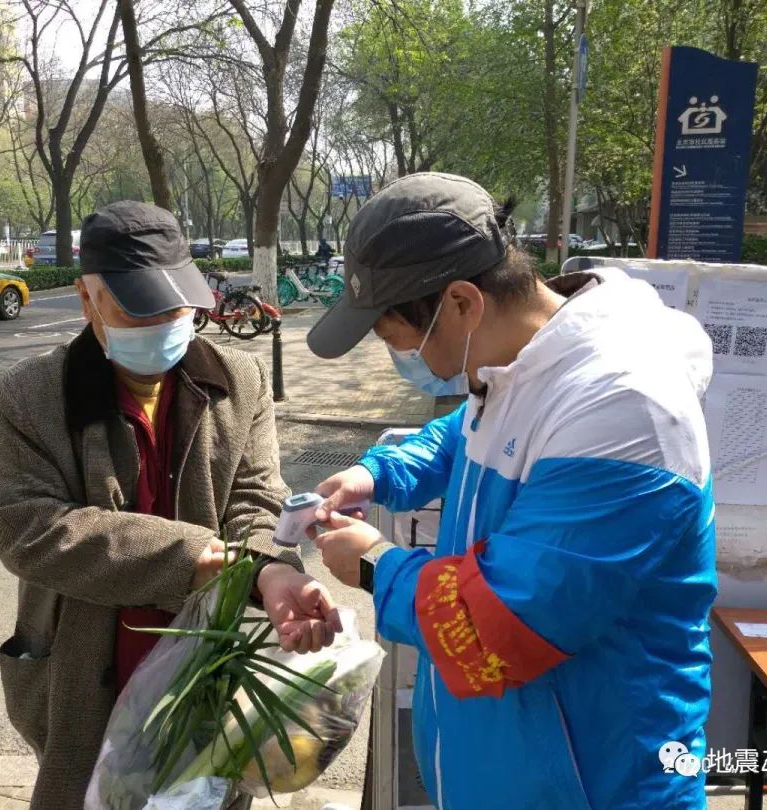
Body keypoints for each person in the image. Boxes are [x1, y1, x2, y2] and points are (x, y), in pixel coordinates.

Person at [304, 173, 717, 810]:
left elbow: (503, 626)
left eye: (394, 336)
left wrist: (373, 564)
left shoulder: (623, 409)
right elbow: (458, 435)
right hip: (507, 773)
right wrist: (376, 474)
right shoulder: (519, 365)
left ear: (462, 303)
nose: (400, 355)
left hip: (595, 785)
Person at [0, 201, 341, 809]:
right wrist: (196, 557)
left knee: (205, 793)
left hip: (206, 668)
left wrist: (269, 569)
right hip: (85, 671)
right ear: (87, 298)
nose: (163, 322)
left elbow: (256, 496)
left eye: (176, 305)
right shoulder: (32, 396)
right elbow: (30, 530)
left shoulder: (239, 379)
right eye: (137, 306)